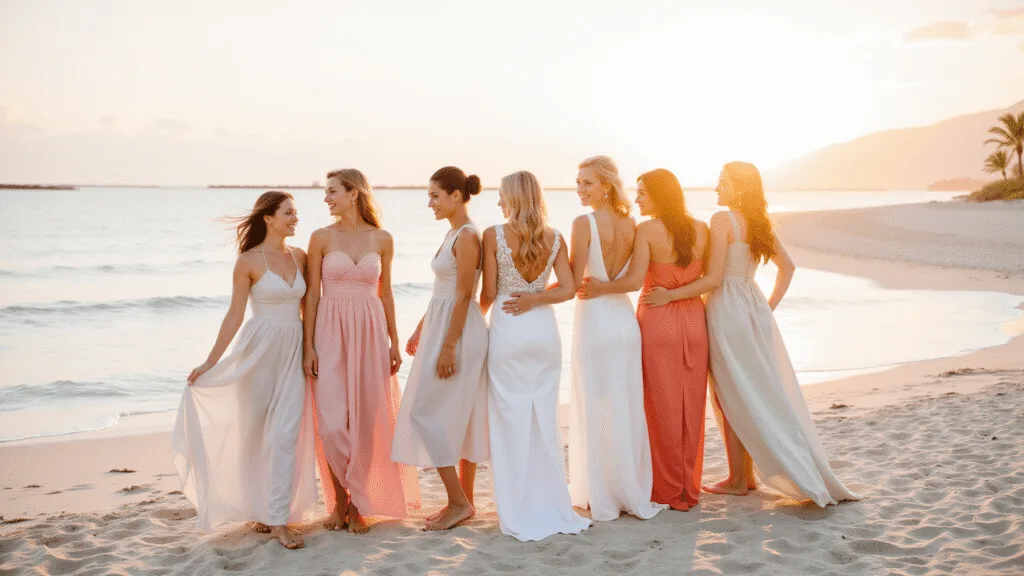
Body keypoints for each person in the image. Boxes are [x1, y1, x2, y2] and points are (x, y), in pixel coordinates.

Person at [648, 161, 859, 506]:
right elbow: (788, 268)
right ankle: (744, 475)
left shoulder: (722, 220)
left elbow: (714, 276)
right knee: (751, 389)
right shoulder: (759, 223)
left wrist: (671, 293)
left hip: (725, 307)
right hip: (753, 305)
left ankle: (738, 479)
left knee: (729, 393)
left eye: (723, 183)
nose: (717, 188)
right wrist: (767, 307)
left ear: (740, 187)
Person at [172, 191, 317, 550]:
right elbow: (235, 315)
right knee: (253, 435)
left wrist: (311, 348)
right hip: (258, 353)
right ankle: (259, 510)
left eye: (296, 212)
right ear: (268, 217)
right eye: (288, 213)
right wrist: (210, 362)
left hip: (293, 351)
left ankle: (279, 519)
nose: (295, 218)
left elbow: (310, 306)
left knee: (285, 436)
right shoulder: (248, 261)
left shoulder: (300, 256)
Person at [580, 168, 710, 511]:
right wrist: (680, 293)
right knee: (691, 405)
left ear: (659, 196)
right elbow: (711, 279)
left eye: (642, 193)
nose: (636, 199)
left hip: (658, 320)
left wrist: (599, 287)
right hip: (695, 322)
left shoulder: (648, 230)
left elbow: (634, 281)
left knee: (660, 406)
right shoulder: (702, 229)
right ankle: (688, 486)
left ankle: (667, 489)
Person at [304, 169, 420, 534]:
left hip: (370, 333)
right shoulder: (320, 237)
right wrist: (308, 346)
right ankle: (339, 498)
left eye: (332, 191)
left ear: (354, 193)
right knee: (332, 424)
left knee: (368, 421)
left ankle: (357, 505)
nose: (326, 198)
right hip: (330, 331)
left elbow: (386, 292)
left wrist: (394, 341)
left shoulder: (382, 238)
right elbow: (312, 294)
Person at [483, 170, 591, 541]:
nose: (498, 201)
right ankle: (551, 501)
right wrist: (536, 298)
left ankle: (518, 506)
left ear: (513, 197)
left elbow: (489, 293)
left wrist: (466, 326)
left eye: (501, 194)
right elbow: (569, 289)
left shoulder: (493, 235)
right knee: (543, 417)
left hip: (509, 327)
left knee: (508, 418)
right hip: (544, 331)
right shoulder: (555, 237)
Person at [566, 156, 666, 521]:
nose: (580, 189)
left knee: (594, 404)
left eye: (587, 183)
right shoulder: (631, 223)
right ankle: (625, 487)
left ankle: (601, 493)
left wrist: (533, 291)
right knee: (623, 406)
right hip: (625, 323)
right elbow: (635, 282)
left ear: (606, 185)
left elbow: (573, 281)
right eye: (578, 183)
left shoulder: (583, 223)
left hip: (595, 320)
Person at [392, 166, 490, 531]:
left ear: (456, 195)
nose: (430, 203)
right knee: (456, 413)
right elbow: (443, 293)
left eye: (435, 196)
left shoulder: (467, 237)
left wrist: (449, 346)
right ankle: (463, 501)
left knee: (425, 411)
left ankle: (459, 502)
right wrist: (421, 328)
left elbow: (465, 295)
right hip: (443, 325)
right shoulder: (452, 233)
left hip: (457, 332)